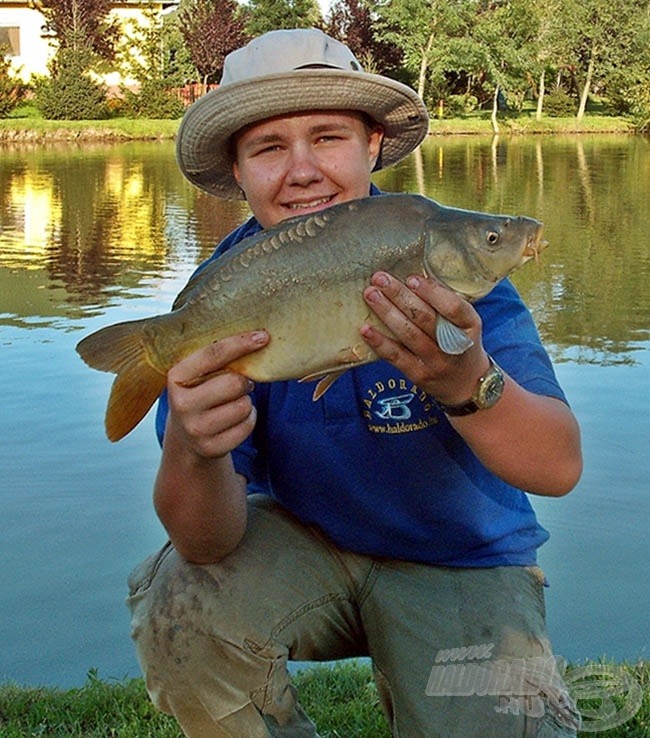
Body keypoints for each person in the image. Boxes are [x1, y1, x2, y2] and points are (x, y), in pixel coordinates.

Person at [127, 28, 583, 738]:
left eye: (328, 137)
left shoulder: (446, 268)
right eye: (268, 147)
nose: (302, 169)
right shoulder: (225, 292)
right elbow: (206, 542)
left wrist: (469, 382)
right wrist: (193, 446)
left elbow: (557, 467)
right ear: (238, 172)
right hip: (306, 547)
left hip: (461, 557)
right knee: (179, 604)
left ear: (372, 144)